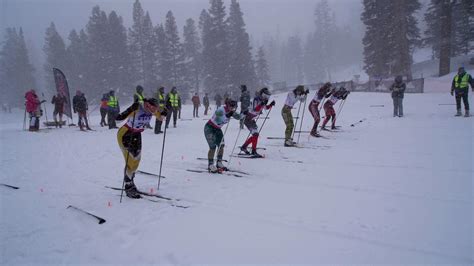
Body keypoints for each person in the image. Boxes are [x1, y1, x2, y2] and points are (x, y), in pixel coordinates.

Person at [115, 98, 167, 199]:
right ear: (147, 104)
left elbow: (160, 118)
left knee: (136, 162)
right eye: (152, 108)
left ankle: (131, 182)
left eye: (155, 108)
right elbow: (118, 119)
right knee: (130, 161)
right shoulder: (137, 108)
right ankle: (128, 186)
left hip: (137, 134)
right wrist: (130, 109)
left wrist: (164, 112)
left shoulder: (152, 110)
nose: (154, 110)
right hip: (125, 134)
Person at [204, 98, 242, 172]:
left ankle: (219, 162)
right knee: (213, 147)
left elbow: (239, 117)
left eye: (234, 107)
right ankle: (210, 164)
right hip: (209, 128)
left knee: (221, 145)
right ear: (227, 105)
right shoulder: (221, 110)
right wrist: (228, 115)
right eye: (231, 106)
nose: (232, 108)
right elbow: (219, 119)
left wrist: (244, 113)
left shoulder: (231, 111)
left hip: (217, 129)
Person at [240, 88, 275, 157]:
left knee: (255, 135)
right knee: (255, 134)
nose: (267, 98)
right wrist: (262, 104)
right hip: (247, 118)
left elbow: (265, 108)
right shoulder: (256, 99)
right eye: (266, 96)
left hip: (251, 119)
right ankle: (252, 150)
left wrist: (270, 104)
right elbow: (255, 109)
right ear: (262, 94)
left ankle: (244, 147)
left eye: (268, 96)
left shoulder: (262, 100)